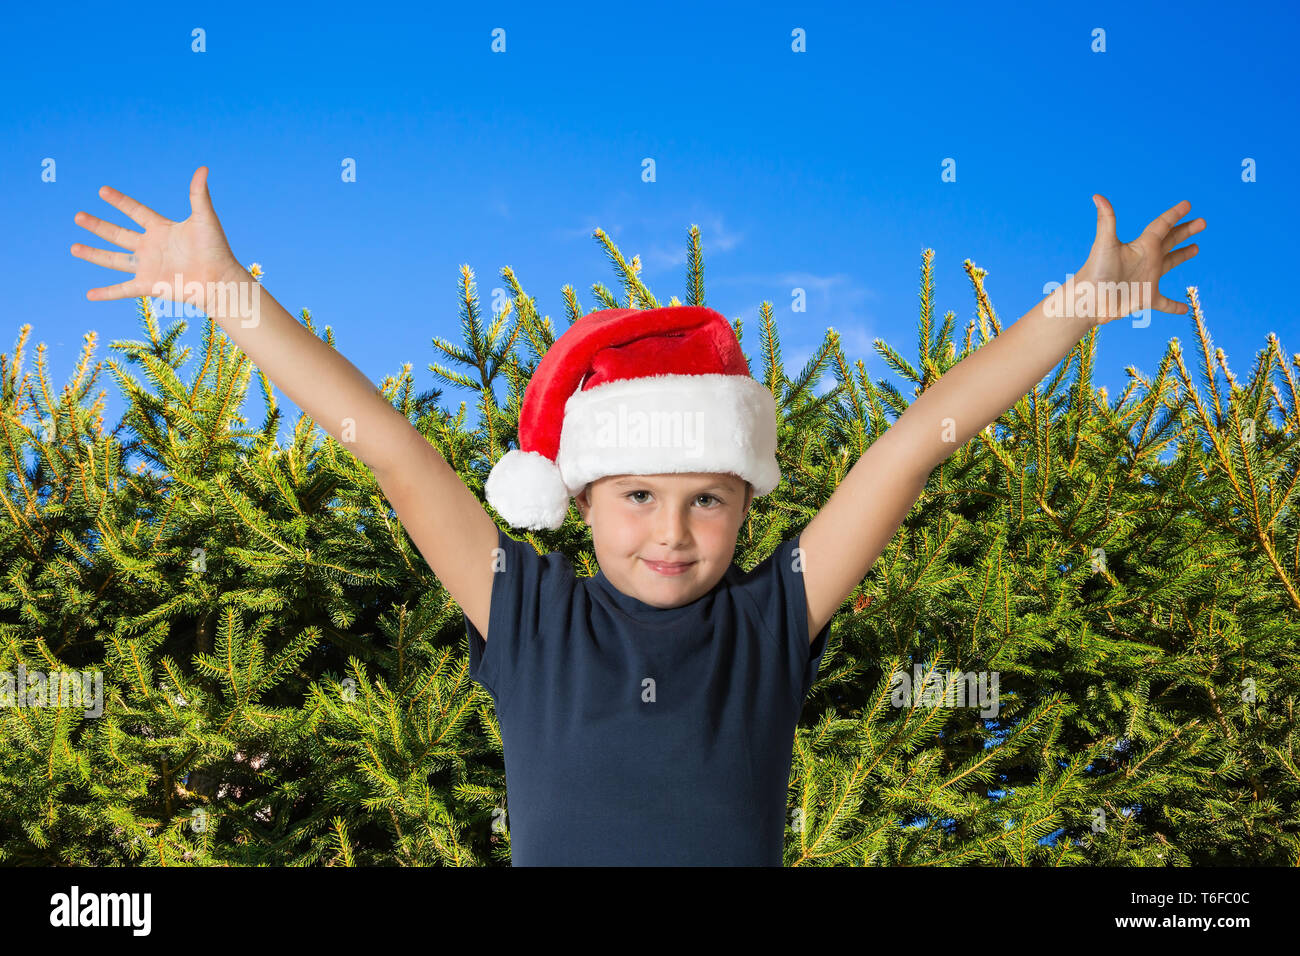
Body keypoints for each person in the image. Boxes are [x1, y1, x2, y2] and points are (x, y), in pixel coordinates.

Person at [70, 167, 1205, 864]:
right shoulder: (527, 617)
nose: (671, 529)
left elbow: (910, 446)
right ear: (581, 500)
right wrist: (228, 296)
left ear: (747, 501)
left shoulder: (772, 623)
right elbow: (392, 449)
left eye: (706, 498)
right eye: (639, 497)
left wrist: (1078, 308)